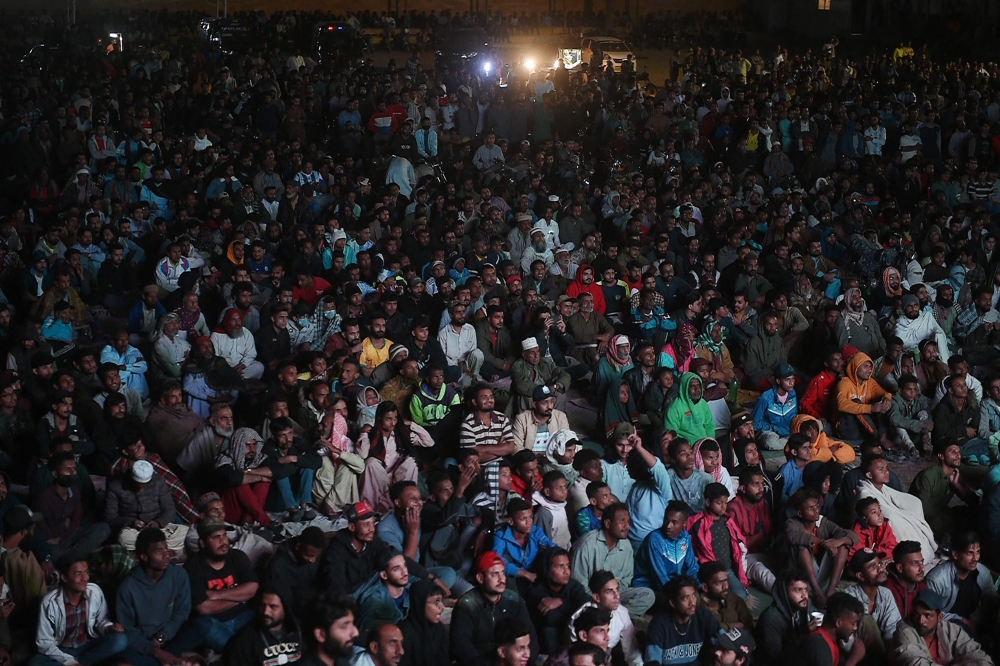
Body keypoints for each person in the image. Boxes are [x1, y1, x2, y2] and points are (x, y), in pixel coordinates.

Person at [116, 528, 202, 666]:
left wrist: (162, 636)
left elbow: (182, 613)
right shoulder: (128, 587)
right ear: (144, 557)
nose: (166, 555)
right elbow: (128, 629)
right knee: (121, 648)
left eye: (166, 549)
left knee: (203, 625)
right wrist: (154, 650)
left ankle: (165, 660)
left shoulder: (179, 575)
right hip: (144, 643)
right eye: (158, 552)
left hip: (171, 637)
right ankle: (168, 660)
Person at [32, 554, 129, 666]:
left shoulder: (94, 592)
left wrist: (109, 627)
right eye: (78, 574)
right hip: (62, 651)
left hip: (88, 647)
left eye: (86, 572)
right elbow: (44, 643)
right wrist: (70, 662)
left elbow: (101, 621)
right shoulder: (49, 602)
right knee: (36, 662)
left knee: (120, 640)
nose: (85, 578)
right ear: (64, 577)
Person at [450, 552, 537, 665]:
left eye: (503, 573)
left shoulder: (513, 600)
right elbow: (461, 646)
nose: (502, 579)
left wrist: (528, 661)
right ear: (480, 578)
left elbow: (530, 635)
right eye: (495, 574)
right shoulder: (467, 605)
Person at [570, 503, 655, 618]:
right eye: (622, 521)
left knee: (648, 595)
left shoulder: (626, 546)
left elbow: (626, 579)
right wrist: (602, 600)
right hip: (591, 598)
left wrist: (613, 597)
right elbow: (578, 584)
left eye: (628, 522)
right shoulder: (586, 545)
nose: (627, 526)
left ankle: (611, 617)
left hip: (615, 595)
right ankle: (616, 617)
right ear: (608, 523)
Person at [186, 517, 258, 651]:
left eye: (225, 535)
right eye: (216, 537)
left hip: (243, 617)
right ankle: (243, 650)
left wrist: (215, 595)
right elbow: (204, 608)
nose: (223, 541)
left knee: (266, 613)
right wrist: (240, 599)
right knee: (201, 625)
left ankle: (239, 649)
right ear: (202, 543)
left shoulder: (237, 557)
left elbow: (253, 588)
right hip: (216, 623)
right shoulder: (193, 567)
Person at [785, 488, 858, 607]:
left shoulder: (822, 522)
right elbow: (794, 536)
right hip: (804, 578)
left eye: (817, 506)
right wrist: (823, 542)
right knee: (802, 546)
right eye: (810, 508)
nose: (816, 510)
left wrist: (838, 542)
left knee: (843, 545)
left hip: (823, 576)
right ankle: (817, 593)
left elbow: (851, 535)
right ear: (800, 513)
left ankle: (830, 591)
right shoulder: (792, 523)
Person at [887, 589, 992, 666]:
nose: (920, 620)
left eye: (928, 615)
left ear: (940, 617)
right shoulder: (904, 631)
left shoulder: (951, 629)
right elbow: (916, 663)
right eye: (916, 614)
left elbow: (980, 657)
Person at [925, 531, 997, 632]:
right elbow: (928, 613)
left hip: (974, 623)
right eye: (969, 553)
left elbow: (991, 600)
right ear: (955, 554)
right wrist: (962, 621)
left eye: (978, 552)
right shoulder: (936, 579)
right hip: (946, 627)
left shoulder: (983, 573)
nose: (975, 558)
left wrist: (975, 621)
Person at [645, 575, 721, 666]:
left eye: (693, 596)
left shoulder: (703, 616)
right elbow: (652, 661)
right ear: (673, 603)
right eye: (685, 598)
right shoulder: (659, 624)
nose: (692, 602)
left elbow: (724, 640)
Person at [569, 571, 643, 666]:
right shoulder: (579, 617)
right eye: (609, 591)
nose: (617, 596)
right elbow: (574, 656)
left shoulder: (622, 613)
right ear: (597, 597)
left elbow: (632, 653)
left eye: (617, 589)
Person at [755, 569, 821, 665]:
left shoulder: (801, 609)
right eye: (798, 590)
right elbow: (776, 659)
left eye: (806, 589)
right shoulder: (770, 619)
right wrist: (803, 632)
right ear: (784, 593)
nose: (804, 595)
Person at [222, 587, 302, 666]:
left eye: (273, 607)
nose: (265, 612)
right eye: (262, 605)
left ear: (285, 608)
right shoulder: (245, 640)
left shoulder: (302, 632)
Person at [844, 549, 902, 657]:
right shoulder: (849, 598)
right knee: (866, 620)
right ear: (860, 576)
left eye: (879, 563)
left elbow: (892, 629)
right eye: (872, 567)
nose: (880, 569)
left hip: (882, 656)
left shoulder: (886, 594)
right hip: (854, 656)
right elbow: (845, 641)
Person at [262, 525, 326, 619]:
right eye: (309, 556)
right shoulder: (278, 566)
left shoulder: (310, 556)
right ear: (298, 547)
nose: (313, 560)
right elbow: (285, 604)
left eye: (316, 556)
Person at [797, 592, 867, 666]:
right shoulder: (818, 645)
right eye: (853, 624)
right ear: (838, 623)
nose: (855, 628)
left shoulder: (830, 641)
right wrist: (853, 660)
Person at [298, 595, 361, 666]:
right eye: (344, 626)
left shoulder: (343, 663)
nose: (355, 633)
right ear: (320, 634)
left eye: (352, 623)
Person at [398, 579, 449, 666]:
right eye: (437, 602)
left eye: (441, 601)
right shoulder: (403, 632)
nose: (442, 607)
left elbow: (444, 660)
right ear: (420, 603)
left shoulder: (438, 628)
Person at [753, 363, 799, 451]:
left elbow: (795, 416)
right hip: (771, 432)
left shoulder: (793, 394)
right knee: (770, 442)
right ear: (778, 381)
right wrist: (775, 428)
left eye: (793, 379)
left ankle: (790, 441)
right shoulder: (765, 398)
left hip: (789, 431)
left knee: (816, 424)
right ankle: (794, 442)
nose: (791, 383)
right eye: (787, 379)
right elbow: (755, 424)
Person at [697, 561, 754, 630]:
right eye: (719, 583)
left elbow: (747, 621)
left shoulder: (731, 598)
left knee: (728, 613)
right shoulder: (696, 605)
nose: (726, 586)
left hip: (740, 639)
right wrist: (732, 626)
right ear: (705, 587)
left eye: (726, 581)